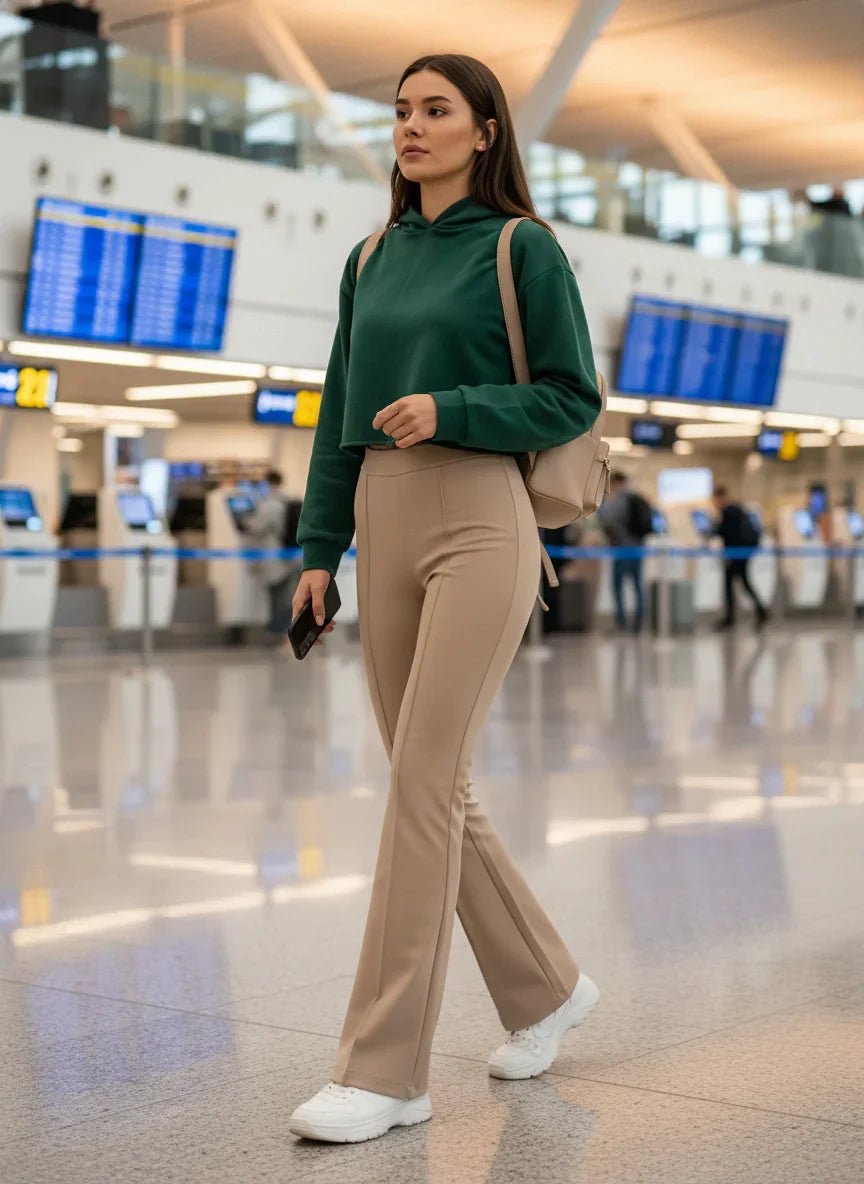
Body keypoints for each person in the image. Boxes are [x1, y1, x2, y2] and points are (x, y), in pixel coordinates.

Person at [287, 52, 601, 1144]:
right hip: (381, 514)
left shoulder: (522, 247)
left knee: (424, 778)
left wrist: (454, 406)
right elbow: (338, 409)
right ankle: (548, 985)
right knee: (432, 784)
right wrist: (319, 546)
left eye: (436, 111)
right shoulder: (371, 256)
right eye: (402, 112)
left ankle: (384, 1068)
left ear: (485, 132)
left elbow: (571, 394)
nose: (412, 127)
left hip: (481, 517)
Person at [240, 470, 301, 641]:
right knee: (288, 594)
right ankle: (285, 631)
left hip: (276, 559)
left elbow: (256, 527)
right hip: (293, 555)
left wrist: (246, 522)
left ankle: (279, 633)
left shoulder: (269, 504)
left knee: (279, 597)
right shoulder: (288, 500)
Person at [598, 472, 653, 634]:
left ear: (615, 483)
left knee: (618, 586)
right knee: (637, 585)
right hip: (638, 548)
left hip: (622, 549)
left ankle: (621, 623)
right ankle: (639, 623)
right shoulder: (638, 498)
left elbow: (606, 520)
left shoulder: (618, 501)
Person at [712, 486, 768, 631]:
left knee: (731, 585)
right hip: (743, 553)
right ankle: (760, 610)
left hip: (735, 554)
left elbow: (726, 534)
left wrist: (728, 555)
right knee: (744, 583)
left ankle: (731, 618)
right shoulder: (738, 509)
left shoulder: (728, 512)